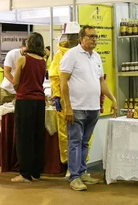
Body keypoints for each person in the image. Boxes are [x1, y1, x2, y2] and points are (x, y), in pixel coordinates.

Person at [60, 25, 117, 191]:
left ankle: (83, 172)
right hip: (77, 107)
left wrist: (112, 98)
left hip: (93, 107)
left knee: (85, 142)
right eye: (91, 36)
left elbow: (101, 82)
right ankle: (74, 176)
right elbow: (63, 82)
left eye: (96, 36)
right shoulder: (72, 55)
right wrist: (68, 107)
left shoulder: (97, 57)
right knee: (75, 142)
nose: (94, 39)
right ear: (81, 38)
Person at [49, 22, 95, 178]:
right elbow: (56, 78)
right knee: (68, 136)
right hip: (67, 102)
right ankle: (71, 168)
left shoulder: (90, 54)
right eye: (71, 36)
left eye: (75, 36)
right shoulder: (61, 54)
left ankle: (82, 168)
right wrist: (57, 96)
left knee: (85, 139)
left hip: (86, 103)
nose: (73, 39)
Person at [11, 32, 47, 183]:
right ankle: (36, 172)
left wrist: (20, 89)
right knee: (37, 137)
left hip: (25, 100)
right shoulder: (43, 61)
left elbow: (15, 82)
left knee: (23, 137)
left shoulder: (23, 59)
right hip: (40, 102)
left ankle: (25, 173)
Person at [0, 39, 27, 104]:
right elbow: (6, 72)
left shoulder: (30, 57)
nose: (26, 53)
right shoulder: (12, 54)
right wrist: (16, 84)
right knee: (4, 112)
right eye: (25, 51)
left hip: (22, 92)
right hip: (7, 91)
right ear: (21, 47)